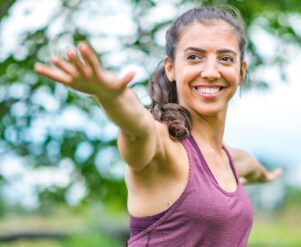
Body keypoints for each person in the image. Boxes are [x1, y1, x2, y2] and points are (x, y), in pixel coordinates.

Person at [35, 6, 282, 247]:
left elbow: (251, 166)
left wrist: (265, 176)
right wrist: (110, 96)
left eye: (225, 59)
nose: (210, 71)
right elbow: (137, 125)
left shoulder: (230, 159)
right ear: (171, 68)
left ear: (241, 71)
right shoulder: (162, 148)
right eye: (194, 57)